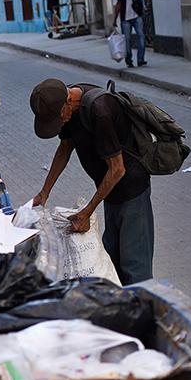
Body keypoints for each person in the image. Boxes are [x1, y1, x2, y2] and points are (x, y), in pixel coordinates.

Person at [29, 79, 154, 284]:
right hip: (110, 193)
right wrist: (45, 191)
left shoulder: (100, 110)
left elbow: (117, 169)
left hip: (131, 192)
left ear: (68, 101)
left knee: (135, 268)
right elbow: (65, 147)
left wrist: (87, 212)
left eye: (58, 119)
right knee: (112, 259)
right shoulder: (68, 106)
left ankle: (147, 311)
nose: (60, 124)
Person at [111, 0, 147, 68]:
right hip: (126, 18)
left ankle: (140, 59)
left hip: (137, 16)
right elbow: (119, 3)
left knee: (141, 36)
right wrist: (115, 18)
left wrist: (147, 6)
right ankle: (129, 60)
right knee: (127, 40)